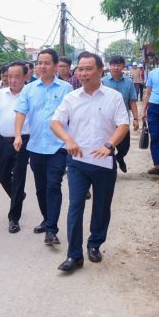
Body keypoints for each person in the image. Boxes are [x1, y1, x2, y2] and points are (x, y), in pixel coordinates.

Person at [51, 52, 129, 272]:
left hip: (104, 162)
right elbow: (55, 122)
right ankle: (74, 255)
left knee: (101, 206)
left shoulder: (113, 97)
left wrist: (110, 145)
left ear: (100, 71)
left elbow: (123, 125)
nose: (83, 73)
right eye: (80, 69)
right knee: (75, 205)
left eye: (88, 69)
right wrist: (67, 139)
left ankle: (95, 243)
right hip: (77, 162)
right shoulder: (71, 98)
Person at [14, 48, 72, 245]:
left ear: (55, 66)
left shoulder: (65, 88)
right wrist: (17, 136)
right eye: (39, 63)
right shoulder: (29, 89)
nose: (42, 66)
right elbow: (21, 113)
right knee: (40, 188)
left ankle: (51, 229)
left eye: (47, 63)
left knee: (54, 185)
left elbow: (72, 116)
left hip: (58, 146)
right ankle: (47, 219)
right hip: (36, 145)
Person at [0, 61, 30, 233]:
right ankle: (18, 196)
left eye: (17, 77)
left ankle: (13, 218)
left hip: (23, 141)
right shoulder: (0, 94)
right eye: (9, 76)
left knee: (19, 178)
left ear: (25, 76)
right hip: (3, 141)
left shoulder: (30, 93)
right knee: (2, 174)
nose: (12, 80)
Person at [102, 55, 140, 173]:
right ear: (110, 66)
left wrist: (135, 118)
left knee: (124, 147)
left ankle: (120, 157)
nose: (116, 67)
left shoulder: (129, 83)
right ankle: (110, 170)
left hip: (122, 120)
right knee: (109, 146)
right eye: (114, 65)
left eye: (119, 65)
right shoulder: (103, 82)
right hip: (107, 120)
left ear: (123, 67)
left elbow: (132, 101)